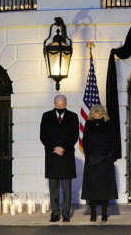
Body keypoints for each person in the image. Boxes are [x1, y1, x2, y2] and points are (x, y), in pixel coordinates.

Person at [40, 94, 79, 222]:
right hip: (52, 157)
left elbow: (74, 136)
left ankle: (66, 214)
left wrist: (64, 148)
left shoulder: (73, 116)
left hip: (66, 157)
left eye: (62, 105)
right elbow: (43, 136)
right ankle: (55, 213)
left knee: (67, 189)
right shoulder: (46, 116)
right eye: (58, 105)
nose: (60, 107)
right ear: (54, 103)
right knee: (54, 188)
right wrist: (54, 148)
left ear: (66, 104)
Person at [81, 105, 118, 222]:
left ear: (103, 113)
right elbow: (85, 141)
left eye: (99, 113)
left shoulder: (108, 124)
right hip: (91, 161)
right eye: (94, 113)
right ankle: (93, 213)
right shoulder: (88, 124)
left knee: (104, 189)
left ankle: (104, 213)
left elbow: (112, 142)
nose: (96, 115)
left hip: (104, 162)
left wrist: (103, 156)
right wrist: (89, 155)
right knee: (92, 189)